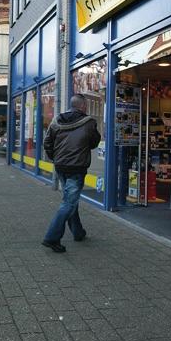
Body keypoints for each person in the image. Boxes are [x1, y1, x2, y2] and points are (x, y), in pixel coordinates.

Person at [42, 94, 101, 252]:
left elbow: (47, 142)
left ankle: (78, 232)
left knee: (69, 198)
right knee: (69, 202)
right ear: (82, 106)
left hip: (60, 166)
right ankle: (52, 238)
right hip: (77, 168)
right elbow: (94, 142)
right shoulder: (89, 122)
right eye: (86, 105)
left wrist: (55, 158)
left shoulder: (56, 120)